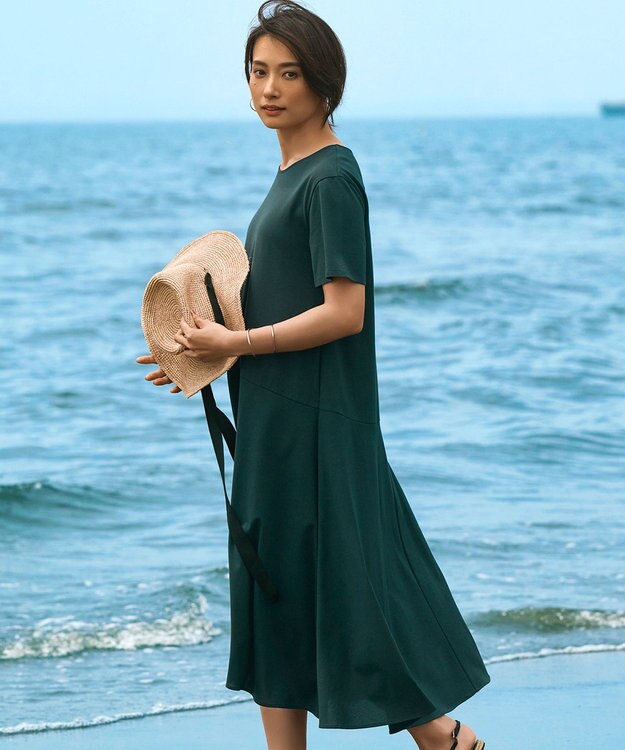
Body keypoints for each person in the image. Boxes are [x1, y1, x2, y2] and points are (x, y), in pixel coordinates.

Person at [136, 2, 490, 748]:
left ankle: (444, 737)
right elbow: (280, 302)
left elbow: (344, 312)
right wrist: (202, 353)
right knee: (276, 591)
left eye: (289, 74)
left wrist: (239, 339)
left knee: (343, 592)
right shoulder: (292, 174)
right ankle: (442, 739)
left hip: (318, 425)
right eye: (258, 72)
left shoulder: (329, 177)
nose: (269, 89)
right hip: (275, 420)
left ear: (324, 82)